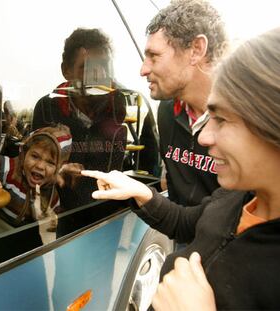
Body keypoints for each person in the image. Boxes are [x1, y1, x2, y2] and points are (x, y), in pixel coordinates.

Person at [82, 27, 280, 310]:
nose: (203, 137)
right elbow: (189, 222)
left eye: (222, 120)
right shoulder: (241, 195)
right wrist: (142, 194)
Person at [141, 0, 228, 205]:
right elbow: (175, 195)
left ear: (196, 50)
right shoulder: (166, 112)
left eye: (154, 56)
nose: (143, 70)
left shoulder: (244, 118)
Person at [32, 27, 128, 213]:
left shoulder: (119, 107)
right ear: (66, 71)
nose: (99, 74)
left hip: (109, 216)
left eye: (104, 66)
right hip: (59, 219)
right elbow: (33, 170)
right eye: (87, 67)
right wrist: (59, 171)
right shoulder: (47, 109)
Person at [0, 124, 82, 241]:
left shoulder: (51, 197)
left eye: (50, 163)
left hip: (14, 241)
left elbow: (52, 226)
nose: (40, 166)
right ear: (24, 154)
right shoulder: (11, 168)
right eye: (35, 156)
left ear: (58, 169)